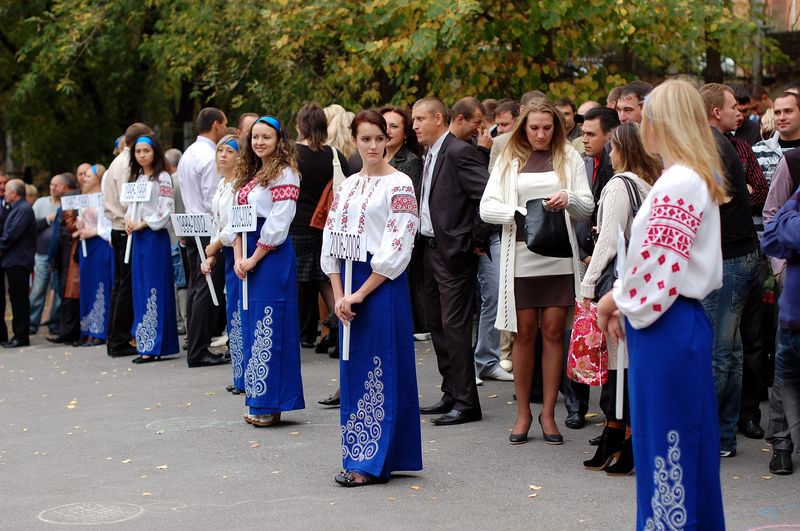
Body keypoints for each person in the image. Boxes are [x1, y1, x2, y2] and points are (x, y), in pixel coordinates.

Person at [597, 79, 726, 530]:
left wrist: (613, 300)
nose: (638, 124)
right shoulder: (686, 176)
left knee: (670, 450)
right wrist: (623, 301)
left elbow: (659, 262)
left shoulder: (680, 181)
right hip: (669, 321)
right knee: (683, 449)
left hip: (666, 325)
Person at [480, 98, 593, 444]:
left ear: (556, 127)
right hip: (520, 254)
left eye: (547, 127)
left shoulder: (569, 156)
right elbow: (487, 207)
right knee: (524, 333)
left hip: (558, 254)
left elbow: (587, 204)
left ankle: (548, 414)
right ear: (523, 127)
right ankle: (523, 413)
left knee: (555, 331)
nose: (540, 134)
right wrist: (518, 213)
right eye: (534, 128)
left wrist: (568, 198)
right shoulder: (509, 158)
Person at [322, 109, 422, 487]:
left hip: (381, 284)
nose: (374, 146)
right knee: (353, 368)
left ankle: (370, 461)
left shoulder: (400, 184)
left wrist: (361, 294)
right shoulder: (347, 186)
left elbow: (399, 242)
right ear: (354, 141)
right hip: (346, 284)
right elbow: (331, 238)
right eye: (366, 139)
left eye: (380, 138)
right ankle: (359, 453)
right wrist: (338, 295)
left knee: (382, 367)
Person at [580, 122, 660, 474]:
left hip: (616, 285)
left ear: (622, 150)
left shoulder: (618, 184)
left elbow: (609, 241)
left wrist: (588, 284)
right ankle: (617, 436)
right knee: (626, 364)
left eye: (612, 148)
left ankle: (625, 439)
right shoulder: (649, 184)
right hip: (641, 282)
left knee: (618, 364)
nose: (609, 154)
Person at [412, 97, 490, 426]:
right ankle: (451, 392)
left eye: (420, 119)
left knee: (455, 327)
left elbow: (486, 196)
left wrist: (473, 241)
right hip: (429, 251)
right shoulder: (430, 153)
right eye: (413, 120)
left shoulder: (458, 151)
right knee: (438, 325)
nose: (414, 125)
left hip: (454, 253)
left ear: (439, 118)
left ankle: (467, 402)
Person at [224, 115, 304, 427]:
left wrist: (254, 258)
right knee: (251, 323)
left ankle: (272, 403)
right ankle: (257, 399)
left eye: (266, 137)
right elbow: (237, 219)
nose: (259, 142)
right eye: (255, 137)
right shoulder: (249, 172)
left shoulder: (286, 173)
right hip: (246, 254)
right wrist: (238, 256)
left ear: (279, 140)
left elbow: (278, 223)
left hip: (270, 256)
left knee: (270, 324)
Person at [291, 103, 350, 353]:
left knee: (297, 283)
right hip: (326, 227)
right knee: (326, 279)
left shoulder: (291, 154)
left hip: (296, 226)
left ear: (300, 125)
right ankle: (342, 328)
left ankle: (298, 334)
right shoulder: (334, 155)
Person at [178, 107, 229, 368]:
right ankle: (198, 348)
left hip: (192, 223)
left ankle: (194, 341)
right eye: (225, 124)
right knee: (206, 287)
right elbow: (213, 198)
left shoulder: (188, 152)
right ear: (217, 124)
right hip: (206, 226)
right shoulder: (209, 156)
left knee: (196, 285)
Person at [125, 135, 179, 363]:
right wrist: (129, 221)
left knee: (154, 286)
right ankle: (145, 342)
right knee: (140, 287)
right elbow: (131, 207)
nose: (142, 155)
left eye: (146, 150)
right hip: (138, 238)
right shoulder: (136, 178)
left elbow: (165, 209)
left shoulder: (163, 178)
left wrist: (144, 223)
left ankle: (154, 345)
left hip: (154, 237)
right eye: (138, 151)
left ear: (155, 152)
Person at [104, 123, 153, 358]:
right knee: (126, 285)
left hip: (119, 226)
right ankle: (119, 338)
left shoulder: (117, 162)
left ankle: (115, 337)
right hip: (126, 227)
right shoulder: (127, 164)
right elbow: (128, 199)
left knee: (120, 285)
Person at [202, 134, 246, 394]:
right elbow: (217, 222)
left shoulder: (242, 185)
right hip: (225, 251)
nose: (223, 155)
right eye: (220, 150)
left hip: (237, 250)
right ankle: (239, 374)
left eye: (229, 151)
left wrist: (216, 245)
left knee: (241, 309)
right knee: (233, 310)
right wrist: (211, 253)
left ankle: (246, 374)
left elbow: (234, 225)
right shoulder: (222, 184)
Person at [761, 183, 800, 476]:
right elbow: (772, 231)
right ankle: (782, 444)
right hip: (793, 314)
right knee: (784, 378)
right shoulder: (792, 163)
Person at [380, 105, 426, 341]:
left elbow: (410, 205)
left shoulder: (410, 161)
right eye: (384, 125)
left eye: (394, 126)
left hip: (399, 236)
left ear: (405, 132)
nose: (387, 131)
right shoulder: (375, 158)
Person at [76, 164, 113, 346]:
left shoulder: (104, 197)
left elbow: (108, 222)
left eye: (88, 176)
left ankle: (100, 329)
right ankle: (88, 328)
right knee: (87, 285)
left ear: (98, 179)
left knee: (100, 284)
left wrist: (94, 231)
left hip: (99, 243)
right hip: (86, 247)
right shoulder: (84, 197)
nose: (84, 178)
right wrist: (80, 225)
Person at [0, 179, 36, 348]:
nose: (4, 193)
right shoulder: (17, 208)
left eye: (7, 190)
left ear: (14, 193)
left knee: (19, 300)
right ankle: (18, 334)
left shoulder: (23, 209)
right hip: (14, 260)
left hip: (19, 261)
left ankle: (21, 336)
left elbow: (12, 235)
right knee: (16, 299)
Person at [30, 174, 67, 336]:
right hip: (42, 254)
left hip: (59, 255)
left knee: (57, 290)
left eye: (56, 185)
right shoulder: (40, 203)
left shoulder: (66, 204)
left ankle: (54, 322)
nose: (53, 188)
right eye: (51, 184)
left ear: (63, 187)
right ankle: (32, 322)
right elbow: (31, 225)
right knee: (38, 289)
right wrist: (47, 220)